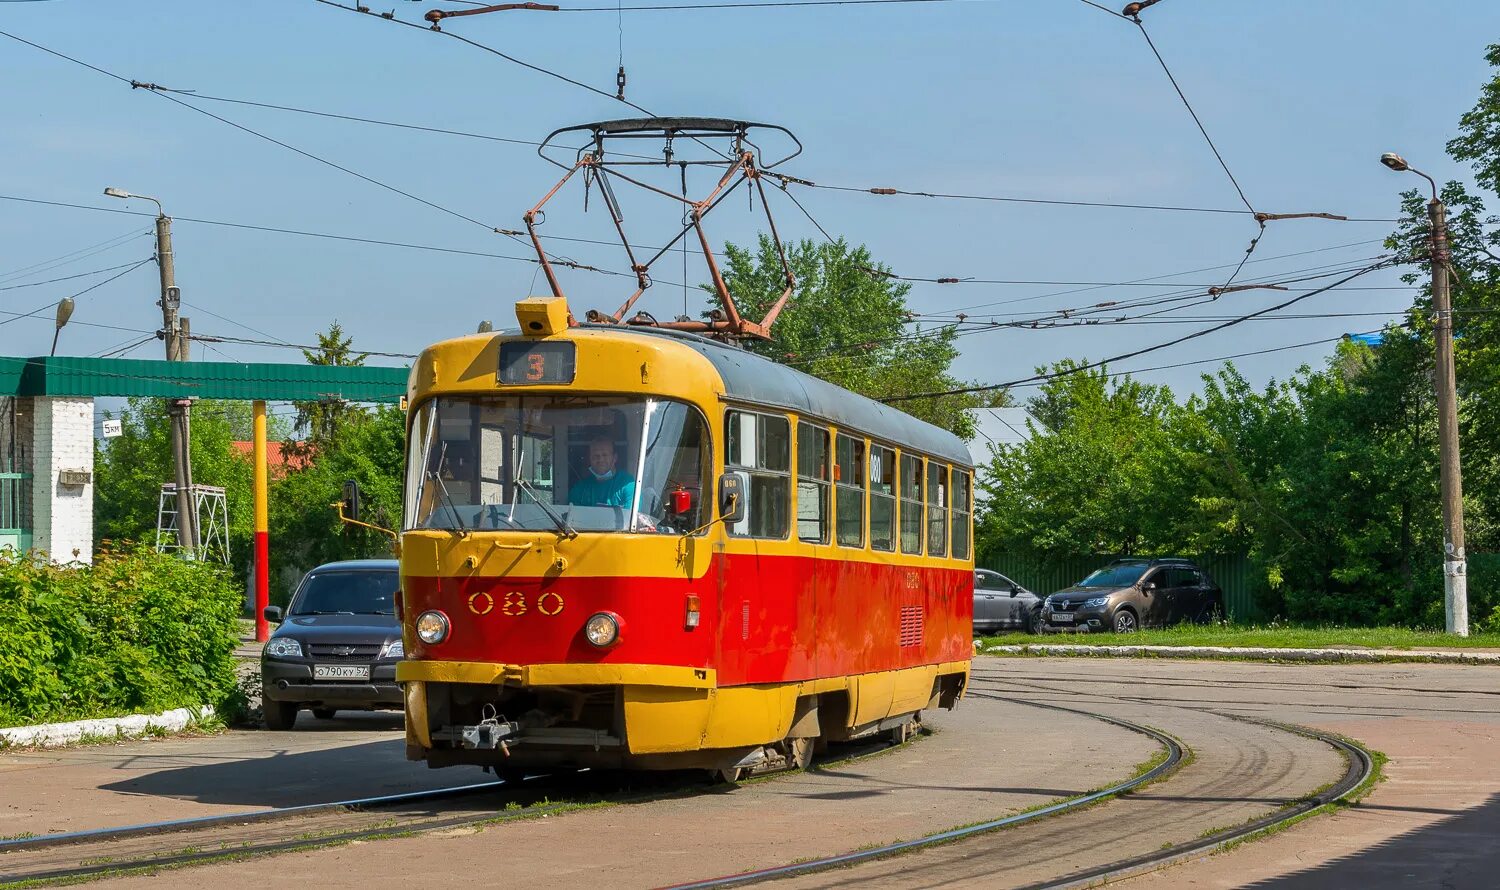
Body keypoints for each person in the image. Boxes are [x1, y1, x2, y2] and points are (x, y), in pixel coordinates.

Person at [568, 436, 636, 508]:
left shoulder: (627, 484)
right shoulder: (580, 488)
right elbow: (571, 516)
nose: (600, 459)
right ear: (590, 459)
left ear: (614, 458)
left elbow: (631, 516)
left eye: (605, 455)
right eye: (595, 456)